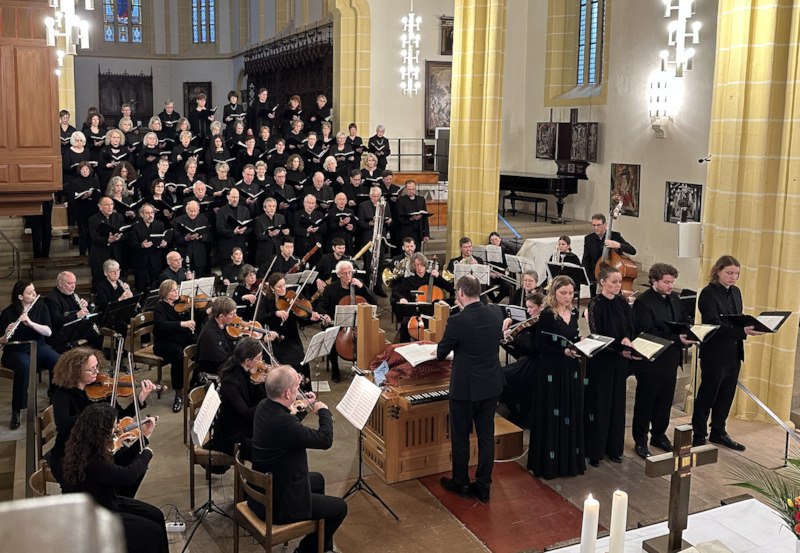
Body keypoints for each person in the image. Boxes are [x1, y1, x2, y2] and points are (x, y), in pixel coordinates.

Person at [251, 366, 346, 553]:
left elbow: (290, 429)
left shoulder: (264, 406)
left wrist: (303, 407)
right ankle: (305, 551)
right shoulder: (285, 423)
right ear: (287, 393)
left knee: (317, 479)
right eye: (297, 387)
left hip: (263, 488)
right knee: (339, 508)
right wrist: (324, 411)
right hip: (278, 503)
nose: (299, 390)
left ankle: (322, 545)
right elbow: (324, 440)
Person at [61, 403, 168, 553]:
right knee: (153, 532)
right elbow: (127, 476)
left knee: (156, 515)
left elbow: (122, 460)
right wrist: (146, 454)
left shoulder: (89, 445)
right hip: (96, 516)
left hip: (106, 500)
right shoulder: (91, 461)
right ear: (101, 430)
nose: (116, 429)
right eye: (113, 426)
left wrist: (144, 437)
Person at [437, 275, 505, 503]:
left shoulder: (458, 321)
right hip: (491, 385)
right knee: (486, 438)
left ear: (461, 294)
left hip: (465, 389)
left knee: (461, 437)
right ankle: (484, 486)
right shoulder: (496, 312)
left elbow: (440, 353)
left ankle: (461, 482)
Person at [49, 347, 157, 488]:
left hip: (100, 445)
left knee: (137, 465)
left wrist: (140, 399)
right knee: (122, 473)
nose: (97, 372)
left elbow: (118, 417)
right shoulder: (62, 394)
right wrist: (94, 414)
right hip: (73, 454)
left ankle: (118, 500)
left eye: (97, 367)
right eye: (92, 369)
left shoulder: (103, 391)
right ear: (76, 371)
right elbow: (63, 426)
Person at [691, 255, 763, 450]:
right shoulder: (708, 293)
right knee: (708, 394)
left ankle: (718, 432)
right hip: (714, 353)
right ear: (718, 271)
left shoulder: (736, 292)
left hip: (733, 351)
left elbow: (736, 318)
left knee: (726, 395)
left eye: (736, 274)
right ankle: (698, 435)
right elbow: (714, 325)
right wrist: (742, 331)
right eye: (729, 273)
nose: (733, 277)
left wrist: (750, 326)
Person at [631, 263, 694, 459]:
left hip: (670, 359)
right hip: (651, 360)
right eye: (666, 282)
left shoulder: (674, 298)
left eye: (672, 282)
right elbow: (647, 332)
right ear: (654, 281)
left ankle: (658, 434)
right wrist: (678, 338)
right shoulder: (643, 302)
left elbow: (682, 321)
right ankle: (640, 439)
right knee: (646, 402)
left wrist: (688, 333)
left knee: (664, 402)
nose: (670, 286)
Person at [528, 275, 584, 479]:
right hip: (551, 370)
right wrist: (563, 352)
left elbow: (574, 337)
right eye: (563, 293)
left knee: (570, 410)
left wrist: (581, 344)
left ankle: (568, 461)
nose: (568, 297)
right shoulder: (547, 315)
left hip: (571, 369)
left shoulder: (575, 312)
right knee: (552, 413)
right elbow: (540, 346)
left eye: (570, 293)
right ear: (554, 293)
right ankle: (550, 464)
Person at [584, 264, 634, 467]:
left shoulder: (622, 303)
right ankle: (595, 450)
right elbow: (597, 334)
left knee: (617, 403)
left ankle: (614, 449)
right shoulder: (595, 304)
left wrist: (627, 339)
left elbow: (630, 326)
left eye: (619, 282)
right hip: (602, 360)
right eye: (614, 282)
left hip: (619, 360)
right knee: (600, 404)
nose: (617, 285)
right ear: (602, 282)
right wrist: (618, 348)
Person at [0, 281, 60, 428]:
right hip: (16, 350)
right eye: (29, 293)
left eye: (34, 291)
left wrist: (31, 323)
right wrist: (6, 334)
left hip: (38, 346)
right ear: (20, 296)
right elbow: (1, 341)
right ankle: (17, 409)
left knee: (58, 361)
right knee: (25, 366)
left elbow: (48, 331)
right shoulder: (8, 313)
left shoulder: (41, 306)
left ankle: (55, 399)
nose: (34, 294)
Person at [206, 337, 269, 460]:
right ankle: (257, 478)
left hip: (242, 426)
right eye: (258, 358)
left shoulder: (247, 373)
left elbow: (254, 399)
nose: (261, 361)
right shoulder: (231, 381)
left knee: (271, 436)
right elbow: (246, 413)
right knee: (265, 451)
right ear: (247, 361)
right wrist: (269, 402)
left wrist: (258, 383)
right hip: (232, 435)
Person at [259, 272, 322, 387]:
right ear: (272, 288)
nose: (283, 289)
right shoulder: (266, 301)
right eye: (279, 286)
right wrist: (275, 313)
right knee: (284, 368)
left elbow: (301, 318)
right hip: (275, 340)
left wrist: (312, 317)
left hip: (292, 339)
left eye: (284, 285)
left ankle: (305, 391)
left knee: (301, 363)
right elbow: (259, 318)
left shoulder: (292, 297)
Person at [316, 261, 374, 383]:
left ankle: (362, 367)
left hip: (357, 324)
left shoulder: (358, 286)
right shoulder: (331, 289)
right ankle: (335, 369)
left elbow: (374, 301)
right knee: (331, 338)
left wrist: (362, 287)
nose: (348, 276)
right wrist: (325, 315)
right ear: (338, 275)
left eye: (350, 273)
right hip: (336, 324)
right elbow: (321, 306)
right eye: (344, 273)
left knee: (368, 338)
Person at [499, 292, 544, 427]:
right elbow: (522, 352)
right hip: (529, 360)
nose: (528, 311)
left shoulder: (541, 324)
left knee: (503, 376)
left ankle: (518, 414)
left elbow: (532, 349)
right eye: (527, 307)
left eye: (531, 307)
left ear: (541, 307)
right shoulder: (534, 322)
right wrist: (511, 341)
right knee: (501, 373)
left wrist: (513, 341)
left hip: (537, 364)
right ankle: (515, 410)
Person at [152, 279, 196, 412]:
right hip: (164, 342)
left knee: (199, 342)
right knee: (178, 356)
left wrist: (208, 310)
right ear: (165, 293)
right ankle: (178, 394)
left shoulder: (181, 303)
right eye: (173, 290)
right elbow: (161, 325)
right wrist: (182, 324)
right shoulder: (159, 307)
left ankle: (195, 382)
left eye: (177, 289)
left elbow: (195, 316)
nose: (177, 291)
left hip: (181, 338)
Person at [392, 253, 453, 342]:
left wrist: (439, 277)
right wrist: (401, 298)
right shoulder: (408, 281)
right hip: (413, 313)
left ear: (425, 265)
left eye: (422, 265)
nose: (420, 267)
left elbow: (450, 288)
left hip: (432, 314)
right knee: (405, 324)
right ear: (413, 266)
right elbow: (395, 292)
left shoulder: (432, 278)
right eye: (417, 265)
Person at [581, 213, 636, 296]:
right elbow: (586, 259)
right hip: (596, 277)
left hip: (613, 278)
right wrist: (588, 277)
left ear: (605, 225)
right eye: (594, 225)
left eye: (599, 225)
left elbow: (632, 250)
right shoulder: (589, 238)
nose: (596, 228)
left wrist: (618, 245)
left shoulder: (615, 236)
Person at [44, 271, 101, 351]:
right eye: (70, 283)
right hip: (62, 333)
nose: (73, 286)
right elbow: (56, 321)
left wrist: (86, 305)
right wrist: (77, 315)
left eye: (74, 283)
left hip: (75, 328)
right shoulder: (51, 299)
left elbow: (83, 310)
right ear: (60, 284)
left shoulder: (73, 293)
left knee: (97, 335)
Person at [195, 296, 238, 386]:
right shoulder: (210, 334)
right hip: (213, 374)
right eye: (232, 314)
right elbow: (223, 362)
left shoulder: (222, 325)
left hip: (222, 365)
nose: (235, 317)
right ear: (221, 316)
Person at [128, 204, 169, 294]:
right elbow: (132, 244)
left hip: (156, 261)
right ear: (142, 214)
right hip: (141, 261)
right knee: (141, 287)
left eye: (152, 212)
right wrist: (141, 245)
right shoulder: (135, 226)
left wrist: (164, 244)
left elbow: (163, 240)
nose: (150, 215)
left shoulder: (160, 225)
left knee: (156, 287)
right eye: (147, 213)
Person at [88, 196, 126, 290]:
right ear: (100, 207)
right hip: (100, 255)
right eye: (107, 205)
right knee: (99, 281)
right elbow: (94, 238)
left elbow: (124, 233)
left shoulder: (118, 217)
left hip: (116, 254)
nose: (110, 207)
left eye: (111, 204)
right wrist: (108, 240)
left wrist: (118, 238)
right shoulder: (93, 219)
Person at [173, 200, 211, 278]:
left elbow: (209, 237)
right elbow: (176, 239)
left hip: (200, 255)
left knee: (200, 278)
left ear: (198, 210)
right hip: (185, 254)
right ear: (186, 210)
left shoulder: (203, 219)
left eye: (195, 211)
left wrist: (200, 237)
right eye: (190, 211)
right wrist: (186, 238)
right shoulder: (179, 220)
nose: (193, 213)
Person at [216, 187, 252, 264]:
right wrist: (233, 232)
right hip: (227, 248)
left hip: (241, 247)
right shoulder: (221, 211)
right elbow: (219, 229)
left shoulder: (244, 209)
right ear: (228, 197)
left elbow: (250, 227)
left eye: (237, 197)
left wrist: (243, 230)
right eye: (233, 197)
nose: (235, 199)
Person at [254, 197, 289, 267]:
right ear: (264, 208)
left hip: (278, 251)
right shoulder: (259, 219)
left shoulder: (281, 217)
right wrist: (269, 235)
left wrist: (286, 233)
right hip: (265, 252)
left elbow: (283, 235)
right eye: (269, 206)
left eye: (274, 206)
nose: (272, 208)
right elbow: (258, 236)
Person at [395, 180, 430, 249]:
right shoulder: (400, 200)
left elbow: (425, 218)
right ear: (405, 189)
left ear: (415, 188)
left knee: (417, 254)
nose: (411, 191)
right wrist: (411, 218)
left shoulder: (421, 199)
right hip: (406, 232)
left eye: (413, 189)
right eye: (409, 189)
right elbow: (399, 217)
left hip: (418, 233)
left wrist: (426, 234)